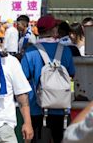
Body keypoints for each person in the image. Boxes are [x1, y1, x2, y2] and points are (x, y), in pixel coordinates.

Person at [21, 15, 76, 143]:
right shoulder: (66, 51)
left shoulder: (31, 52)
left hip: (37, 108)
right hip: (62, 109)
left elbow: (23, 80)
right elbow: (72, 73)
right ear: (54, 30)